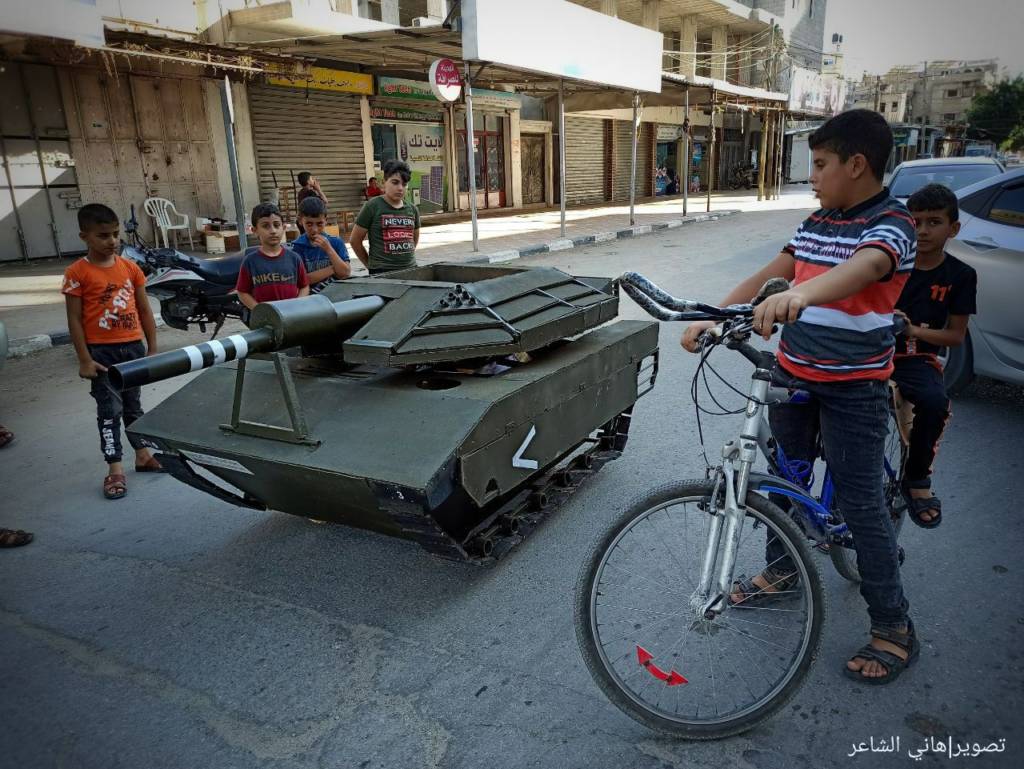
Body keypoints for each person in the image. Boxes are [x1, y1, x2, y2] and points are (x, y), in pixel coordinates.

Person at [680, 109, 919, 685]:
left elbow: (866, 268)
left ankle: (893, 626)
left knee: (861, 506)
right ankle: (782, 571)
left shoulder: (892, 223)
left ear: (856, 164)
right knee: (785, 481)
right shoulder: (818, 221)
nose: (810, 176)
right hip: (794, 374)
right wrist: (714, 314)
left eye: (819, 164)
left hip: (854, 387)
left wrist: (803, 295)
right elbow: (775, 270)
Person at [62, 203, 163, 500]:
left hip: (133, 348)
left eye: (116, 234)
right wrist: (84, 359)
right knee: (109, 411)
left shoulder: (130, 269)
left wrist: (152, 348)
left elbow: (145, 310)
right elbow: (74, 320)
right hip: (102, 355)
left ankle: (143, 455)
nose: (113, 241)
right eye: (103, 235)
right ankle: (114, 468)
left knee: (133, 407)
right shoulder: (77, 273)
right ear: (85, 237)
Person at [893, 183, 977, 528]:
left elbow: (955, 336)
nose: (923, 230)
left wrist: (913, 332)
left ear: (953, 228)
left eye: (933, 222)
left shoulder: (960, 275)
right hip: (870, 353)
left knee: (935, 402)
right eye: (915, 222)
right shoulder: (888, 264)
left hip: (915, 359)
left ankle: (916, 479)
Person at [349, 159, 420, 276]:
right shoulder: (372, 206)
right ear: (384, 182)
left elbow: (414, 240)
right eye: (395, 182)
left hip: (411, 269)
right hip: (382, 272)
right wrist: (371, 266)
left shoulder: (412, 209)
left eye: (404, 184)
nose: (400, 188)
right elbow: (355, 241)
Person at [235, 202, 310, 310]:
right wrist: (259, 310)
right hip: (266, 320)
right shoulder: (250, 262)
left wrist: (298, 305)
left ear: (283, 228)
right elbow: (242, 292)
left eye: (276, 225)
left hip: (292, 317)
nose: (273, 231)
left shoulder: (294, 258)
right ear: (255, 231)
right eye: (266, 226)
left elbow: (304, 286)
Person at [289, 196, 352, 293]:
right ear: (301, 221)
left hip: (337, 295)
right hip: (311, 298)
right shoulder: (297, 247)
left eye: (319, 224)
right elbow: (302, 280)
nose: (314, 229)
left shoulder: (336, 243)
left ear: (326, 220)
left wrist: (328, 249)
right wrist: (332, 268)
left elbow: (345, 273)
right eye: (309, 224)